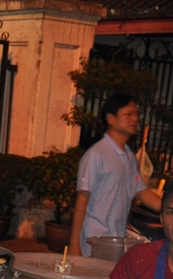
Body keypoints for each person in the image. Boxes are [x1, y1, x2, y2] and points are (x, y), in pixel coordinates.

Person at [69, 93, 162, 257]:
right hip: (95, 241)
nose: (135, 119)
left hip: (117, 240)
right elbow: (82, 199)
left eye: (137, 114)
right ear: (110, 119)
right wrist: (74, 244)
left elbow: (142, 192)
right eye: (129, 114)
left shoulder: (128, 156)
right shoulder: (96, 155)